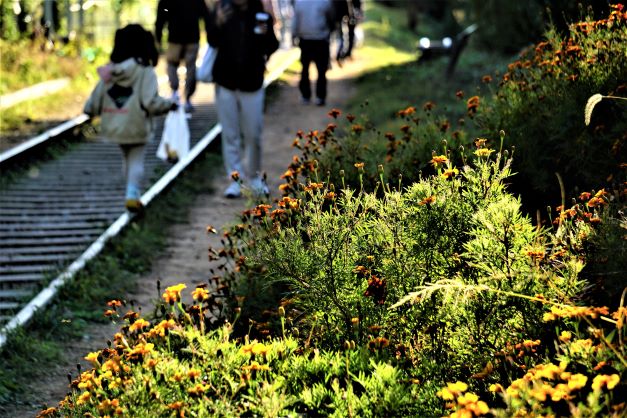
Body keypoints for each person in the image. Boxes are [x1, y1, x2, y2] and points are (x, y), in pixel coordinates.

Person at [84, 24, 177, 213]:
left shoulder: (111, 71)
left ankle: (130, 193)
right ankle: (132, 195)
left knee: (126, 159)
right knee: (136, 160)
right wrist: (169, 105)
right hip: (137, 124)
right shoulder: (145, 71)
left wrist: (90, 110)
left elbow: (96, 96)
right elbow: (150, 101)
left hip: (114, 124)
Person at [206, 0, 279, 199]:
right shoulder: (222, 9)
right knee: (230, 135)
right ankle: (235, 180)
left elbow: (272, 45)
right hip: (225, 82)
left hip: (252, 82)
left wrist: (266, 31)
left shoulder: (260, 11)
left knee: (253, 134)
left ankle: (255, 178)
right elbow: (212, 41)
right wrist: (217, 22)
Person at [155, 0, 211, 114]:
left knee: (173, 65)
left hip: (177, 38)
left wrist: (158, 37)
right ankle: (186, 98)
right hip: (189, 38)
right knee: (189, 68)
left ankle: (177, 93)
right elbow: (205, 15)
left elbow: (161, 17)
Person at [292, 0, 335, 106]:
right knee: (321, 70)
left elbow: (295, 20)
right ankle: (320, 96)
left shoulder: (299, 2)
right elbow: (331, 18)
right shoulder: (325, 2)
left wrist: (293, 35)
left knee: (305, 69)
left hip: (306, 39)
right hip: (320, 39)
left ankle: (306, 95)